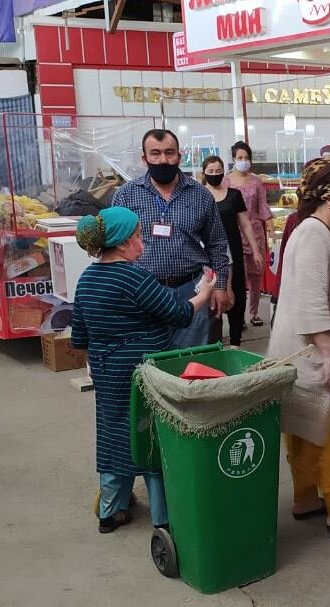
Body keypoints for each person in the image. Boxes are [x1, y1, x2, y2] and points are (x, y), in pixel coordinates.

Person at [71, 207, 216, 533]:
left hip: (107, 371)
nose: (143, 242)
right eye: (138, 236)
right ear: (122, 244)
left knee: (113, 433)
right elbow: (178, 314)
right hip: (142, 370)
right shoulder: (134, 277)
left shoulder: (87, 279)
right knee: (149, 434)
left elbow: (79, 337)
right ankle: (162, 518)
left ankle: (110, 511)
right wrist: (204, 293)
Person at [266, 158, 330, 546]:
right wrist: (328, 355)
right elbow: (311, 302)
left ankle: (306, 499)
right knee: (329, 430)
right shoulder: (312, 233)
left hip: (312, 350)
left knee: (306, 430)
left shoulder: (324, 232)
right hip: (316, 352)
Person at [112, 129, 230, 349]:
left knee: (190, 362)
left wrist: (221, 286)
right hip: (143, 291)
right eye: (155, 153)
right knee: (147, 361)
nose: (163, 160)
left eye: (169, 153)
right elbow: (113, 250)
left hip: (192, 290)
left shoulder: (201, 194)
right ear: (144, 157)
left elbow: (216, 243)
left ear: (180, 155)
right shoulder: (126, 195)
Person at [200, 156, 263, 348]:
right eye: (210, 171)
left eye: (218, 170)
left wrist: (256, 250)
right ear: (204, 173)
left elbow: (245, 224)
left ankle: (235, 340)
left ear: (223, 171)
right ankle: (214, 340)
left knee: (236, 293)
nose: (214, 174)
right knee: (210, 294)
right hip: (207, 252)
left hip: (234, 250)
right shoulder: (200, 195)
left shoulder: (234, 195)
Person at [224, 141, 272, 327]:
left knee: (255, 276)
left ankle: (254, 313)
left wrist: (269, 227)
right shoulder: (226, 181)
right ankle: (239, 315)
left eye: (246, 158)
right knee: (237, 277)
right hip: (234, 234)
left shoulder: (256, 182)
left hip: (256, 234)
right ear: (234, 159)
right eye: (240, 157)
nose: (244, 161)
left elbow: (262, 206)